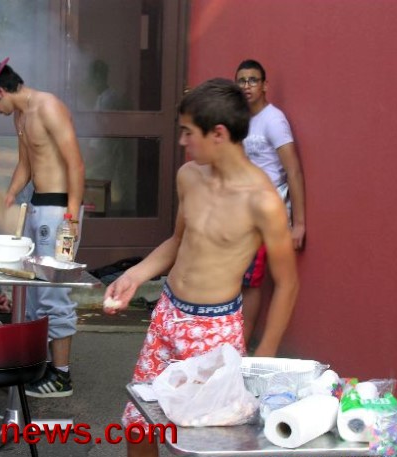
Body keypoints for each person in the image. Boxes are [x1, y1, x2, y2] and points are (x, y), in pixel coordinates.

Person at [103, 78, 299, 457]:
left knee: (202, 441)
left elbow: (287, 283)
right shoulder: (189, 176)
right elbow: (178, 242)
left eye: (188, 132)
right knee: (139, 422)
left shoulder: (262, 201)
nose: (182, 141)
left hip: (214, 332)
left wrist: (265, 356)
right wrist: (134, 275)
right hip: (167, 314)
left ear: (218, 134)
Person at [0, 56, 85, 397]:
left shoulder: (49, 107)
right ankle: (40, 366)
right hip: (36, 206)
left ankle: (61, 376)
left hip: (59, 210)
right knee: (31, 291)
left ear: (0, 91)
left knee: (53, 292)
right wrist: (9, 195)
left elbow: (75, 163)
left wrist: (71, 217)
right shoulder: (20, 115)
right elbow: (25, 164)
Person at [235, 59, 307, 347]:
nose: (247, 86)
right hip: (242, 208)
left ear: (265, 85)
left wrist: (298, 223)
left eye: (253, 80)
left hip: (268, 209)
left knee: (250, 280)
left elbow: (293, 170)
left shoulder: (274, 119)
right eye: (242, 80)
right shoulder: (240, 119)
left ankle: (242, 348)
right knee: (238, 276)